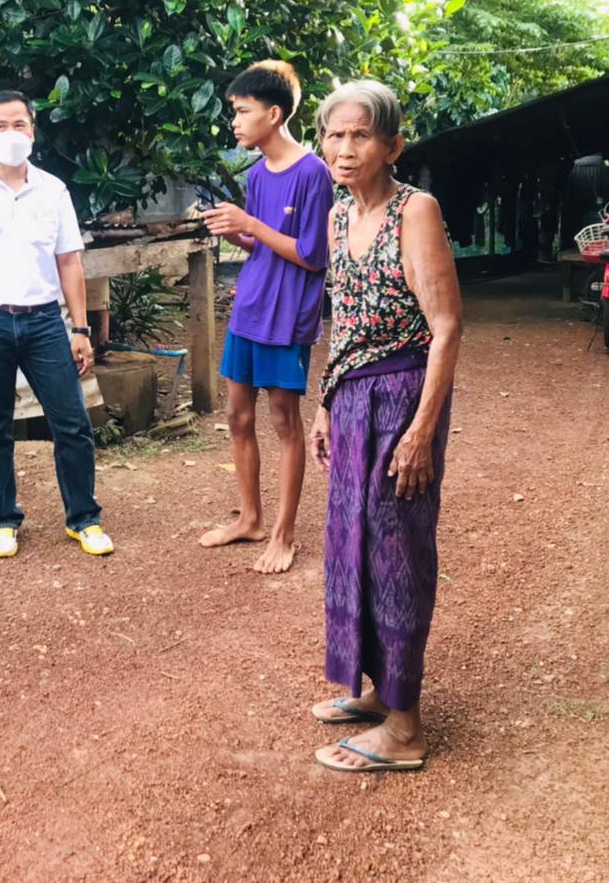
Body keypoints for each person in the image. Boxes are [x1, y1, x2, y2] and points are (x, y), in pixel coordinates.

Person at [305, 80, 462, 773]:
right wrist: (324, 402)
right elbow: (342, 319)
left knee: (397, 550)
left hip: (403, 397)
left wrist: (421, 431)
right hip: (352, 397)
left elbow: (447, 326)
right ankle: (377, 691)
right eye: (334, 135)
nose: (344, 149)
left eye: (361, 135)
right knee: (351, 547)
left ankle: (405, 728)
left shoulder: (415, 211)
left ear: (392, 145)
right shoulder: (339, 215)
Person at [0, 91, 112, 560]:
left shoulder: (53, 190)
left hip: (44, 323)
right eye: (1, 125)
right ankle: (2, 521)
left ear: (33, 131)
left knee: (72, 424)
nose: (11, 133)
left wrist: (80, 329)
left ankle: (84, 519)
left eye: (20, 124)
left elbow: (69, 262)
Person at [199, 60, 332, 574]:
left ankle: (284, 533)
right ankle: (250, 519)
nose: (235, 122)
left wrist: (251, 223)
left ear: (273, 114)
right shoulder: (256, 173)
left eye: (242, 111)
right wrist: (234, 230)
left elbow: (312, 255)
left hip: (288, 316)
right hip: (250, 309)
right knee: (237, 415)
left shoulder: (313, 173)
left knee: (283, 420)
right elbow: (263, 245)